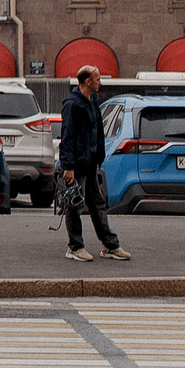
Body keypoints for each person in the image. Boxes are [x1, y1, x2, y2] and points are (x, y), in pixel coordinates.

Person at [58, 64, 131, 263]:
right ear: (87, 81)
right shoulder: (73, 104)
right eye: (97, 79)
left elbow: (97, 132)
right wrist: (68, 167)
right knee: (75, 204)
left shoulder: (92, 100)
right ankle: (75, 247)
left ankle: (110, 244)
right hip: (77, 165)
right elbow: (68, 137)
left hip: (90, 163)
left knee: (97, 203)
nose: (100, 82)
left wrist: (98, 156)